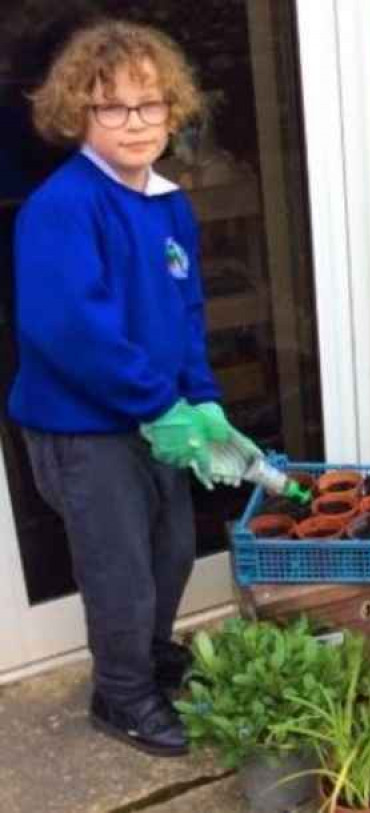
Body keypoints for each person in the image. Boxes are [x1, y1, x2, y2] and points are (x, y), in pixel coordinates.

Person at [8, 20, 258, 756]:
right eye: (112, 106)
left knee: (174, 549)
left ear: (172, 107)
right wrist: (159, 404)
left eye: (150, 104)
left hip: (161, 414)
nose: (136, 122)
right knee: (120, 571)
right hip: (85, 429)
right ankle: (120, 694)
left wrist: (202, 398)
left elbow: (184, 314)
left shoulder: (168, 203)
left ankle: (145, 655)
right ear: (77, 113)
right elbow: (71, 330)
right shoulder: (64, 206)